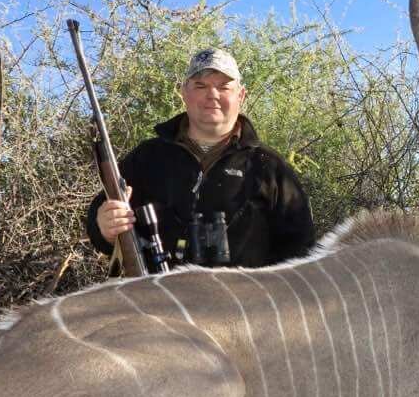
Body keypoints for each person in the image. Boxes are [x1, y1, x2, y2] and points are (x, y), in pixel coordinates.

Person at [86, 48, 316, 271]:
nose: (212, 95)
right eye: (200, 85)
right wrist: (104, 227)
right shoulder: (148, 157)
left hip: (240, 306)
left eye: (224, 87)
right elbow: (103, 220)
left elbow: (300, 251)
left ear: (241, 95)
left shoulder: (269, 167)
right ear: (184, 92)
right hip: (157, 301)